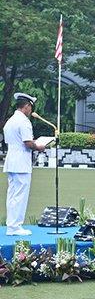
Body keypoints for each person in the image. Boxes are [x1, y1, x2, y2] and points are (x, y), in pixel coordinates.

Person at [2, 93, 46, 236]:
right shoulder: (24, 121)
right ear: (27, 106)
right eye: (30, 108)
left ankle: (11, 225)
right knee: (20, 195)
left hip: (12, 159)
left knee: (13, 194)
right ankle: (15, 227)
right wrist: (39, 146)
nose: (30, 111)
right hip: (21, 161)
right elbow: (27, 142)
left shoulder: (10, 120)